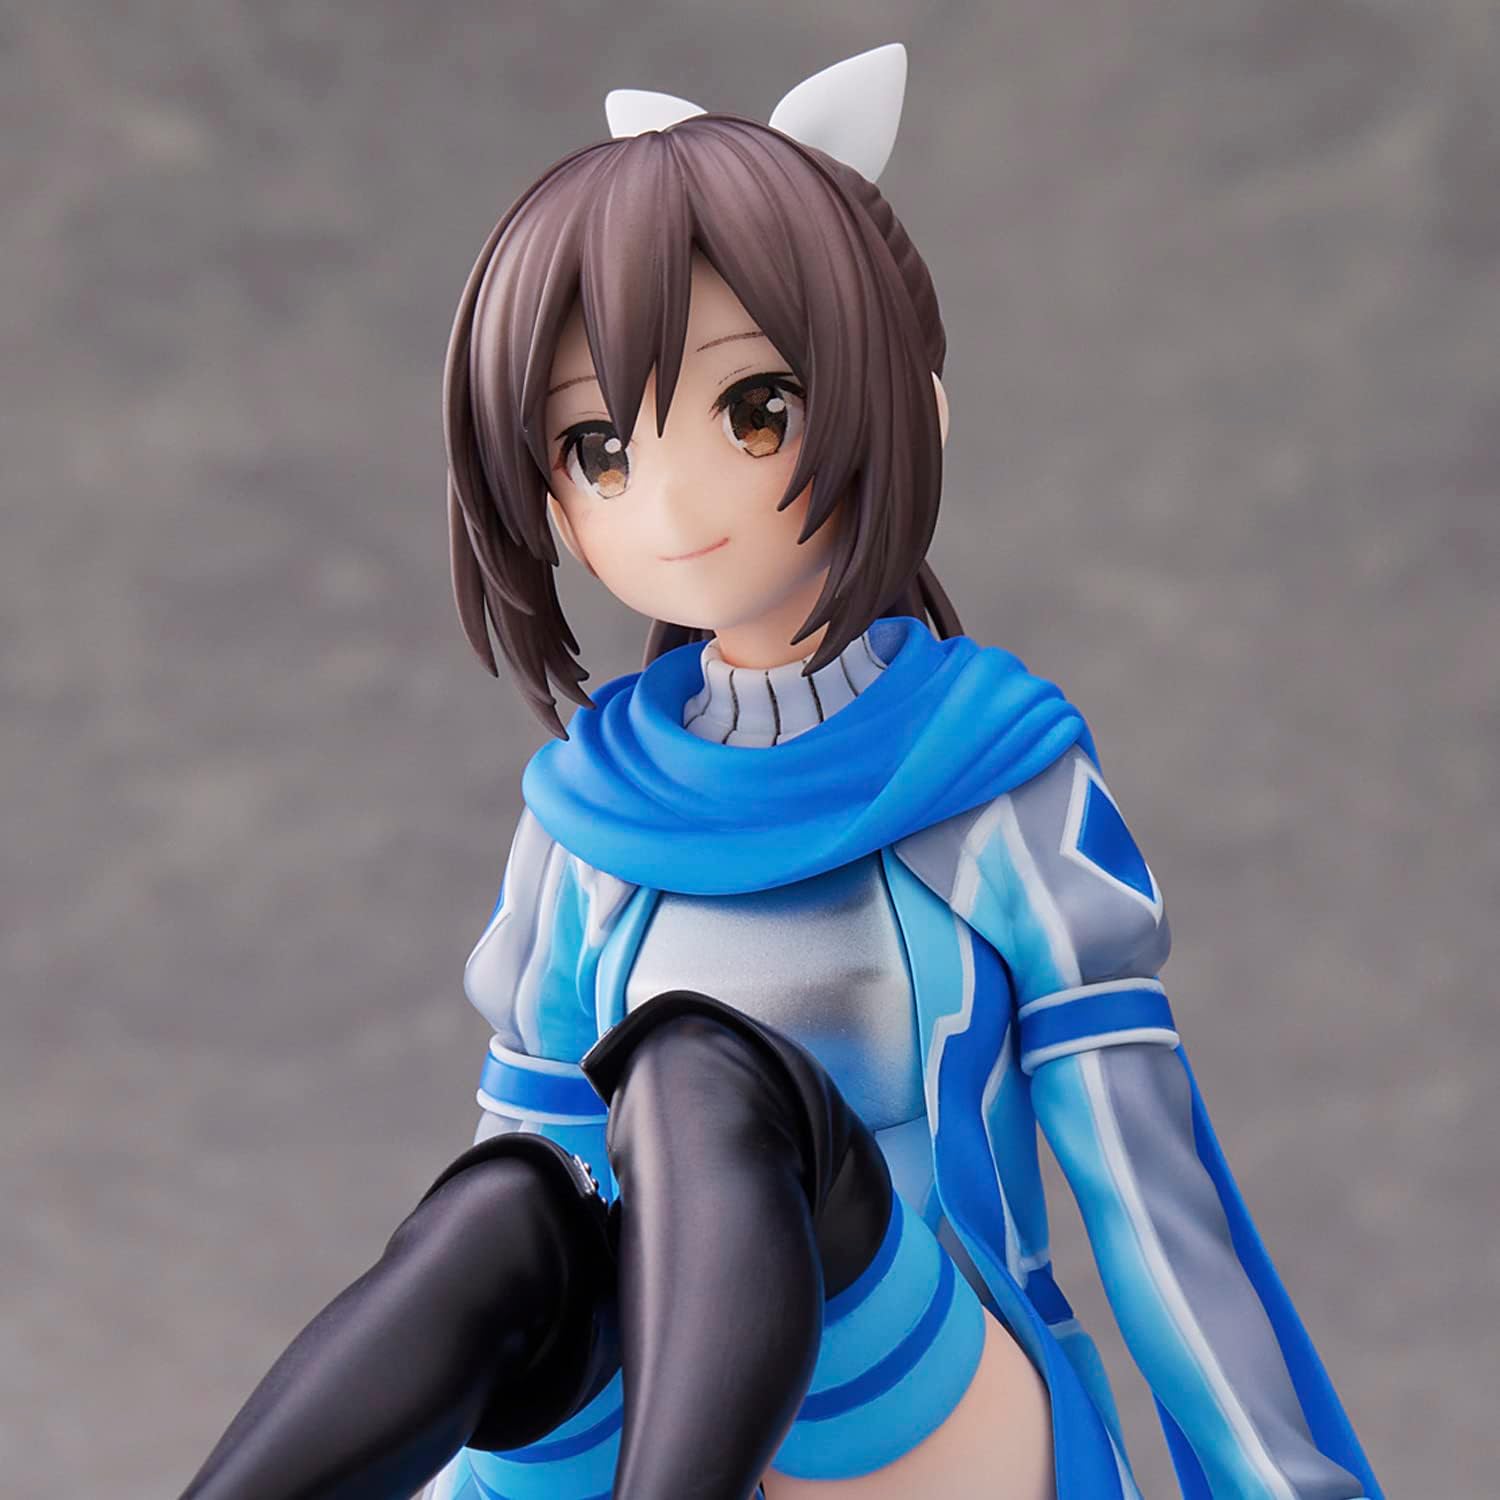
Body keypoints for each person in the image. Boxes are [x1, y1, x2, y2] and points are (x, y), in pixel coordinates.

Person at [180, 45, 1382, 1500]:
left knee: (699, 1069)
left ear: (909, 409)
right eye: (599, 446)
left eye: (755, 412)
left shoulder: (996, 787)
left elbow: (1147, 1195)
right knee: (506, 1214)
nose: (674, 499)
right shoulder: (592, 818)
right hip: (654, 1420)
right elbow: (524, 1227)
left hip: (941, 1420)